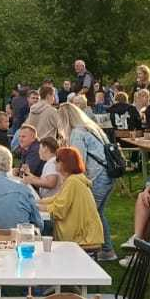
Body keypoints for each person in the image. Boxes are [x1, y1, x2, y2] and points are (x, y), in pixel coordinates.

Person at [58, 101, 118, 262]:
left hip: (98, 176)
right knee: (98, 212)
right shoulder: (91, 128)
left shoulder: (77, 133)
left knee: (89, 214)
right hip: (108, 174)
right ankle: (107, 250)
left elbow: (78, 162)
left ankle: (88, 248)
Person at [40, 146, 104, 246]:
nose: (54, 162)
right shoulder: (73, 179)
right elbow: (57, 198)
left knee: (43, 229)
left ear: (65, 163)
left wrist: (39, 207)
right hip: (86, 233)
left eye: (57, 160)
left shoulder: (72, 181)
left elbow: (59, 210)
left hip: (84, 237)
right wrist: (36, 202)